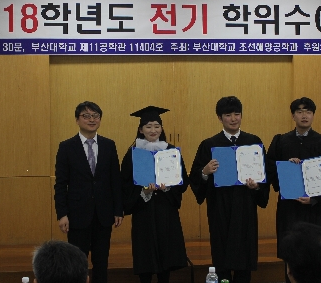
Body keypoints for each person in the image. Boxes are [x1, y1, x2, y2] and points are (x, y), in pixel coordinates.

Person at [189, 96, 269, 283]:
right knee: (221, 254)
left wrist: (257, 186)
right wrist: (205, 172)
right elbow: (195, 177)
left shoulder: (253, 142)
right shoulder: (209, 144)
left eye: (237, 114)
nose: (233, 119)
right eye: (228, 115)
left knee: (244, 255)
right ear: (220, 118)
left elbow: (264, 176)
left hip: (245, 206)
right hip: (220, 207)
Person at [266, 97, 321, 283]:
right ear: (293, 116)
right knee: (291, 252)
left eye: (308, 112)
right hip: (289, 208)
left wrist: (315, 199)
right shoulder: (281, 141)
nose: (304, 115)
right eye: (299, 111)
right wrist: (285, 166)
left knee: (316, 252)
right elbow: (269, 168)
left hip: (314, 209)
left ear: (313, 115)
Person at [54, 101, 124, 283]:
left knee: (101, 262)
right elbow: (61, 184)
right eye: (86, 116)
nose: (91, 120)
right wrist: (62, 214)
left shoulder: (109, 145)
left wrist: (118, 210)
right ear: (77, 120)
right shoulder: (66, 147)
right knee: (77, 263)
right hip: (77, 215)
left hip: (103, 214)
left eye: (95, 116)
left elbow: (115, 180)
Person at [120, 106, 189, 283]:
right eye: (148, 126)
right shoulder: (133, 153)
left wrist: (168, 187)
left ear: (161, 128)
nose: (153, 130)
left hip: (165, 210)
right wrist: (144, 192)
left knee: (166, 256)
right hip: (143, 212)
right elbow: (125, 184)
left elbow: (183, 181)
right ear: (141, 129)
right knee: (145, 255)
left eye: (157, 126)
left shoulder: (171, 151)